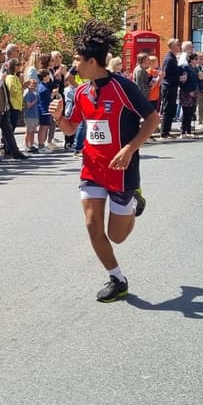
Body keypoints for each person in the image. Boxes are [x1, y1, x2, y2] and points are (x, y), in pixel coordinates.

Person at [49, 19, 159, 303]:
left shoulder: (123, 87)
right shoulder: (83, 92)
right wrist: (59, 116)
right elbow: (72, 128)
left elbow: (152, 118)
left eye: (77, 60)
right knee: (92, 226)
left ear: (93, 61)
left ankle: (134, 201)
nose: (73, 66)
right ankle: (117, 278)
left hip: (122, 172)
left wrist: (130, 149)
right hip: (92, 169)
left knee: (117, 236)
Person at [159, 38, 181, 139]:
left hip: (172, 86)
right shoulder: (169, 58)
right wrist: (179, 78)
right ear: (172, 46)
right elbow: (166, 74)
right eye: (177, 44)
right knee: (167, 109)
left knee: (171, 108)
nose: (179, 46)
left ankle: (167, 131)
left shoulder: (173, 57)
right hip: (168, 86)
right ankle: (164, 132)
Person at [23, 79, 39, 153]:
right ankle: (26, 146)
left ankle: (31, 145)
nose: (33, 86)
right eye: (32, 84)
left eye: (35, 85)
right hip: (29, 116)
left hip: (34, 115)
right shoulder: (28, 94)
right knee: (28, 131)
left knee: (33, 131)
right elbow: (28, 105)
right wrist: (35, 100)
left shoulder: (34, 93)